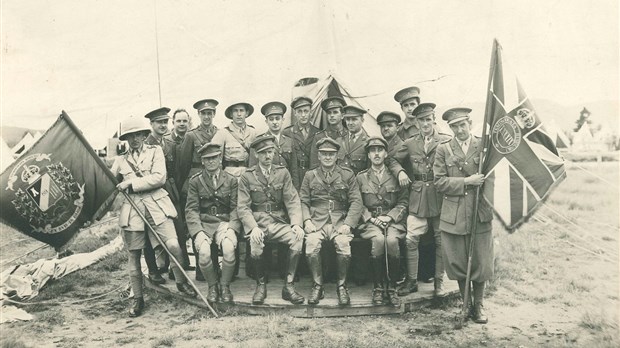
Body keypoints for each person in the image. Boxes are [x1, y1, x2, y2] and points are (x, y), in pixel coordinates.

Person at [112, 116, 197, 318]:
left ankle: (181, 282)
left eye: (137, 135)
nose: (134, 140)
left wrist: (130, 184)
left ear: (143, 135)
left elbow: (159, 177)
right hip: (133, 210)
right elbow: (110, 184)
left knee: (174, 245)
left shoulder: (155, 151)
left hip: (157, 205)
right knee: (134, 256)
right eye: (129, 136)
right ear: (125, 139)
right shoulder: (120, 160)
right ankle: (138, 299)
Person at [433, 107, 494, 324]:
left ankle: (479, 307)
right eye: (454, 126)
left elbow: (494, 177)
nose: (460, 130)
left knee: (480, 261)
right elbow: (439, 182)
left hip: (479, 211)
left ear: (470, 122)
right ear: (449, 128)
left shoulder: (484, 147)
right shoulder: (444, 150)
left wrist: (488, 201)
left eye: (463, 124)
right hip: (454, 214)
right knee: (458, 262)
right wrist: (467, 182)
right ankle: (465, 305)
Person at [387, 103, 452, 297]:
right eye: (421, 120)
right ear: (416, 122)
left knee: (441, 240)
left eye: (428, 119)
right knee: (411, 239)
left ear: (434, 119)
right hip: (418, 197)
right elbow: (392, 159)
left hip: (440, 196)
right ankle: (411, 281)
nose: (425, 123)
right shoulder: (410, 143)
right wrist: (399, 173)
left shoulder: (445, 141)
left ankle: (439, 282)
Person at [237, 135, 305, 305]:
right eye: (264, 153)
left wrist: (296, 223)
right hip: (259, 223)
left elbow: (292, 200)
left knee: (297, 239)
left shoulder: (282, 173)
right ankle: (260, 285)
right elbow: (243, 207)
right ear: (257, 155)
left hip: (278, 221)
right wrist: (252, 228)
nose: (268, 156)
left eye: (270, 152)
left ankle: (288, 287)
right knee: (255, 243)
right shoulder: (247, 176)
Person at [300, 137, 363, 305]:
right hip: (317, 221)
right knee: (311, 244)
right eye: (324, 154)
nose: (327, 157)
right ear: (318, 156)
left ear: (337, 156)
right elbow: (303, 201)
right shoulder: (309, 175)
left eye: (331, 154)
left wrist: (348, 224)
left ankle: (342, 287)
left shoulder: (347, 175)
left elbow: (356, 201)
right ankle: (317, 286)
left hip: (339, 221)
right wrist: (306, 221)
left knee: (343, 244)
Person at [185, 143, 240, 303]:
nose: (211, 162)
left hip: (224, 222)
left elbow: (236, 208)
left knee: (229, 248)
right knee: (203, 252)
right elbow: (191, 210)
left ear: (220, 158)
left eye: (214, 158)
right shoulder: (195, 181)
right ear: (202, 161)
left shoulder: (231, 180)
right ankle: (212, 286)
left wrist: (232, 228)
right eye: (207, 159)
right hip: (204, 223)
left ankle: (225, 286)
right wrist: (198, 232)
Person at [356, 137, 408, 305]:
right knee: (378, 240)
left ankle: (392, 288)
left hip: (392, 220)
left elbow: (404, 201)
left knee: (392, 241)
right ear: (368, 155)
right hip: (370, 221)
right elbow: (357, 203)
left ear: (386, 153)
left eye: (380, 150)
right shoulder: (361, 177)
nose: (376, 154)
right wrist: (371, 218)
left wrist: (390, 216)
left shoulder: (395, 176)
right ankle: (378, 288)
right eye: (373, 151)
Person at [144, 107, 190, 278]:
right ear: (151, 124)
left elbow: (177, 171)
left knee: (177, 229)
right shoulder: (145, 144)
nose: (163, 125)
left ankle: (175, 268)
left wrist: (176, 190)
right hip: (151, 192)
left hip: (170, 191)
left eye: (165, 122)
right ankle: (153, 269)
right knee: (150, 231)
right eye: (159, 122)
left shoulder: (170, 144)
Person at [248, 101, 299, 188]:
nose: (275, 122)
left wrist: (295, 188)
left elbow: (294, 169)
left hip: (286, 185)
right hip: (267, 185)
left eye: (277, 118)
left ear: (282, 120)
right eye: (271, 119)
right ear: (266, 121)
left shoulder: (289, 141)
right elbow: (253, 168)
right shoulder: (259, 141)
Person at [178, 99, 220, 193]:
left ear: (214, 114)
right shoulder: (191, 135)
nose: (206, 117)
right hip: (198, 177)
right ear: (198, 114)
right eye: (203, 113)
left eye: (209, 113)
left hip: (216, 177)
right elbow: (184, 164)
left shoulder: (220, 133)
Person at [282, 96, 320, 191]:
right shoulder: (287, 133)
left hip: (312, 173)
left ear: (311, 112)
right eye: (299, 111)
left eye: (306, 111)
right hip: (294, 174)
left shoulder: (318, 133)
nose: (303, 115)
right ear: (295, 113)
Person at [211, 101, 258, 179]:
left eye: (241, 110)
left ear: (247, 113)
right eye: (235, 111)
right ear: (231, 114)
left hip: (249, 176)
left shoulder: (253, 133)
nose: (239, 114)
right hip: (229, 176)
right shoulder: (222, 133)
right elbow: (215, 159)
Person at [309, 96, 348, 168]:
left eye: (335, 112)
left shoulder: (349, 135)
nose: (332, 115)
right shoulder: (320, 137)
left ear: (342, 116)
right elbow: (314, 164)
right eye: (329, 113)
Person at [340, 105, 370, 174]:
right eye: (348, 119)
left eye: (354, 119)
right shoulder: (339, 141)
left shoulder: (368, 142)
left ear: (362, 120)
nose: (350, 123)